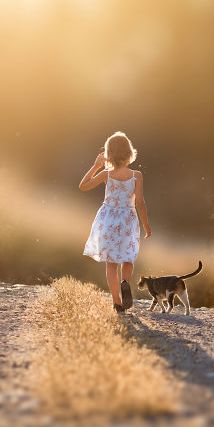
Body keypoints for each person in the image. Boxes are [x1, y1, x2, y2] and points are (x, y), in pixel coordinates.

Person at [79, 131, 151, 312]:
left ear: (108, 154)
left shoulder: (106, 174)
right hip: (128, 220)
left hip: (108, 219)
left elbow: (83, 186)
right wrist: (146, 226)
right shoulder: (136, 175)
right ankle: (125, 282)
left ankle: (117, 302)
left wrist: (96, 166)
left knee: (111, 264)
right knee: (128, 259)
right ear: (129, 153)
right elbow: (141, 202)